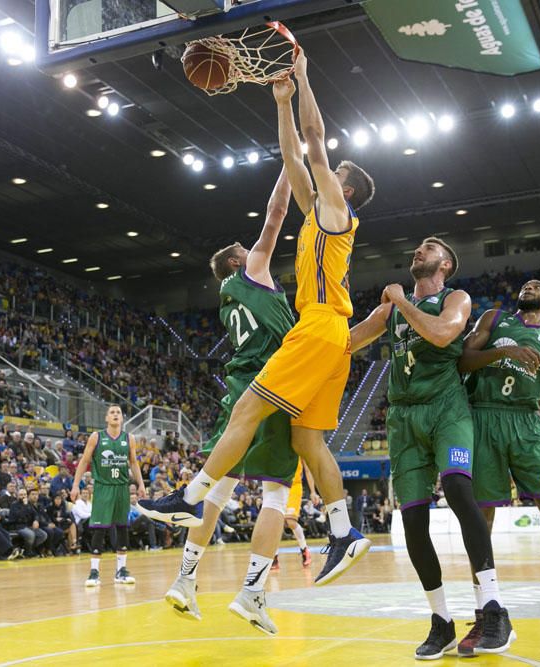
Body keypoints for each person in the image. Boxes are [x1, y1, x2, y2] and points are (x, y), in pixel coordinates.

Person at [140, 50, 376, 588]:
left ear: (347, 189)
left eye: (334, 173)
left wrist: (308, 79)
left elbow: (315, 143)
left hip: (317, 326)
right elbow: (294, 157)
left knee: (247, 409)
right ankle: (344, 530)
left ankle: (190, 496)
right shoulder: (317, 212)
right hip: (329, 333)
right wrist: (283, 102)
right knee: (307, 443)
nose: (323, 172)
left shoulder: (338, 211)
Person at [349, 236, 515, 658]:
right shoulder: (389, 310)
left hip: (446, 408)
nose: (419, 251)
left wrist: (401, 303)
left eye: (430, 248)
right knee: (413, 522)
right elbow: (347, 342)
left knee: (460, 490)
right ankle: (441, 621)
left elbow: (443, 335)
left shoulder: (454, 297)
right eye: (418, 248)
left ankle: (494, 608)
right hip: (403, 418)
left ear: (445, 263)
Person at [161, 168, 301, 634]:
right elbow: (276, 213)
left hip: (237, 388)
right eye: (249, 249)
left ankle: (184, 579)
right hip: (272, 388)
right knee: (275, 496)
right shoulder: (254, 272)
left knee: (218, 492)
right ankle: (252, 592)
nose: (257, 249)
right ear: (241, 261)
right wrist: (288, 161)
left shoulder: (226, 297)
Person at [459, 278, 540, 656]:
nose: (531, 284)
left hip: (528, 426)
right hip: (484, 419)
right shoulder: (494, 318)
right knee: (480, 518)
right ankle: (488, 612)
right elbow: (463, 360)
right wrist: (505, 354)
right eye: (528, 284)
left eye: (539, 286)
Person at [70, 405, 147, 586]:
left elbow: (134, 463)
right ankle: (94, 571)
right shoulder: (96, 437)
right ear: (106, 418)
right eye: (112, 412)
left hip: (122, 487)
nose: (115, 415)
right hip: (103, 487)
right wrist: (75, 485)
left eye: (118, 413)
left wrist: (141, 484)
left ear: (122, 418)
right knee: (100, 528)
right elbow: (84, 462)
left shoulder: (129, 438)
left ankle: (121, 570)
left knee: (122, 527)